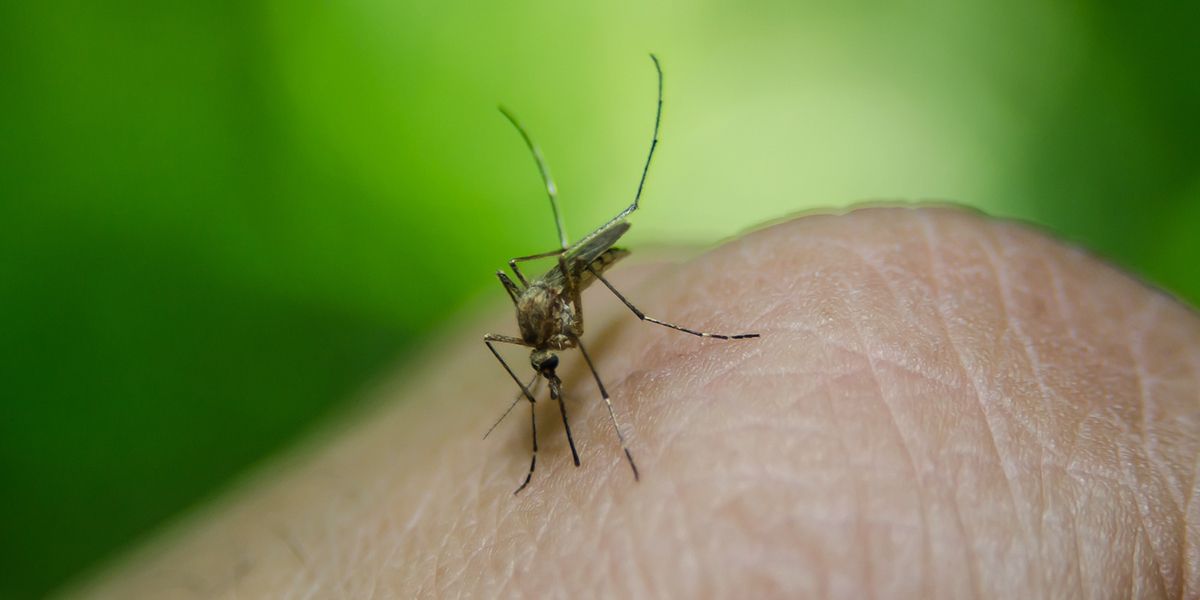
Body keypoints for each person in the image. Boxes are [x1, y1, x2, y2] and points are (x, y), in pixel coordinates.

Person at [69, 207, 1200, 598]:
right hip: (551, 296)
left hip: (580, 279)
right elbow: (517, 333)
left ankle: (669, 333)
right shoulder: (528, 333)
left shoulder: (562, 309)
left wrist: (573, 296)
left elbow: (543, 314)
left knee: (621, 333)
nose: (539, 349)